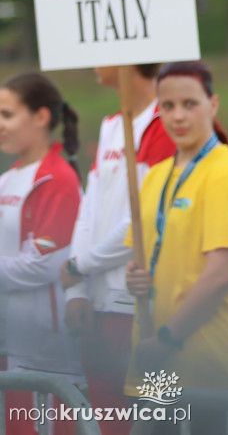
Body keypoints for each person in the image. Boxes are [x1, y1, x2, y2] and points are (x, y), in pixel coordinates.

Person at [124, 61, 228, 399]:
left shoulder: (225, 175)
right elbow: (145, 257)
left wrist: (167, 338)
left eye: (190, 104)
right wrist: (135, 276)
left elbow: (220, 274)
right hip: (154, 363)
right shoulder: (156, 175)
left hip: (207, 368)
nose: (178, 117)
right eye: (168, 106)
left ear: (213, 105)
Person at [60, 65, 174, 435]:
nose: (93, 61)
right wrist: (77, 287)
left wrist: (81, 266)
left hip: (140, 307)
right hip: (96, 304)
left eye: (103, 54)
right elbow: (87, 213)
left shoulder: (163, 123)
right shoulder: (111, 125)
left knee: (154, 417)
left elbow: (143, 223)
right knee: (106, 422)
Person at [0, 73, 83, 435]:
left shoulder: (59, 180)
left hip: (46, 349)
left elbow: (44, 265)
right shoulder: (7, 179)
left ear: (41, 116)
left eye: (6, 114)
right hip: (10, 341)